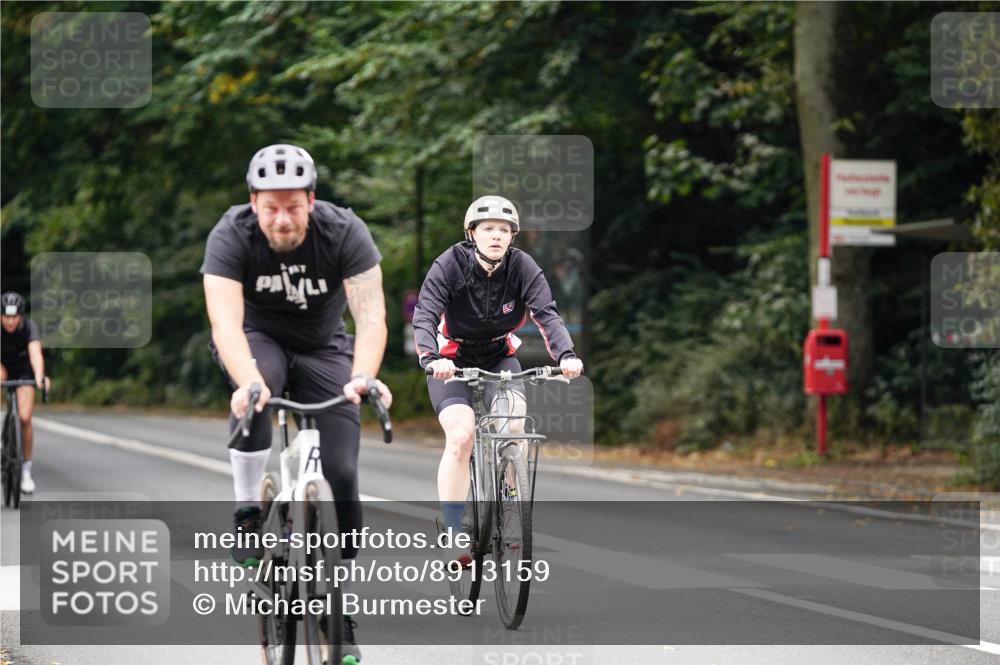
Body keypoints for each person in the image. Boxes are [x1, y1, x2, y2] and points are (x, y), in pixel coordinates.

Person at [200, 144, 391, 660]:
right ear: (253, 202)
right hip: (257, 338)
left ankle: (334, 599)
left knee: (343, 473)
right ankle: (246, 510)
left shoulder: (345, 232)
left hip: (324, 346)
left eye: (292, 205)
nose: (281, 219)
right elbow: (224, 323)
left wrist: (363, 376)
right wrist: (247, 382)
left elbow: (371, 318)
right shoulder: (230, 235)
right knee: (257, 394)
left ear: (311, 199)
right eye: (270, 207)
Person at [412, 195, 583, 566]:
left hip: (498, 356)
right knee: (461, 436)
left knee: (515, 424)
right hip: (451, 360)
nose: (496, 236)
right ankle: (455, 529)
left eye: (504, 230)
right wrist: (431, 358)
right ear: (472, 233)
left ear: (512, 237)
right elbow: (425, 315)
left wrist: (566, 355)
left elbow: (546, 314)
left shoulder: (522, 267)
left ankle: (509, 500)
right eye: (487, 228)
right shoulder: (450, 265)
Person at [0, 291, 49, 494]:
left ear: (20, 316)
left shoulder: (29, 327)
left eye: (14, 317)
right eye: (6, 317)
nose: (10, 322)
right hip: (2, 366)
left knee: (25, 417)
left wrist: (39, 376)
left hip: (23, 371)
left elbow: (35, 353)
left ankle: (26, 470)